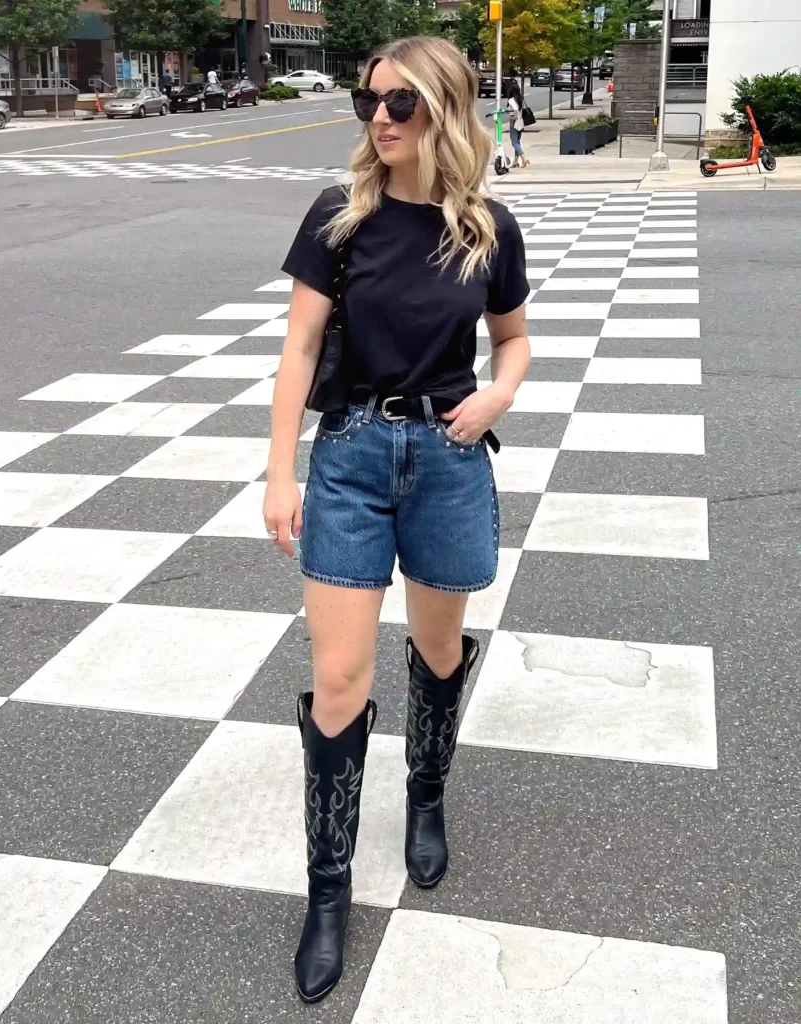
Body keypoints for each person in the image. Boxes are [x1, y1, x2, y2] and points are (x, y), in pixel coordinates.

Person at [263, 34, 530, 1004]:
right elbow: (298, 351)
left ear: (445, 111)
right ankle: (326, 892)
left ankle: (425, 798)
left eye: (400, 103)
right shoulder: (339, 218)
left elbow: (513, 343)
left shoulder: (486, 228)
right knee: (337, 675)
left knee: (439, 651)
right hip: (351, 459)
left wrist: (498, 396)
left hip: (449, 461)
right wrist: (279, 470)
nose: (379, 117)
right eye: (367, 100)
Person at [507, 81, 530, 169]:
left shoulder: (511, 100)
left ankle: (524, 158)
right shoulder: (520, 99)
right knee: (518, 142)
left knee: (514, 143)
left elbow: (516, 110)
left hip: (515, 122)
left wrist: (513, 117)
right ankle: (516, 161)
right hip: (521, 121)